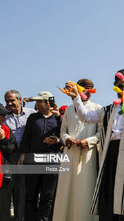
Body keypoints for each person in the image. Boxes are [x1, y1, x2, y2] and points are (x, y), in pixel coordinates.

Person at [63, 69, 124, 221]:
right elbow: (85, 116)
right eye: (119, 85)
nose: (122, 88)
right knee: (109, 204)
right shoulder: (108, 109)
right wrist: (76, 99)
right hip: (110, 156)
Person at [52, 79, 102, 221]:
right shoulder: (68, 109)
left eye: (90, 89)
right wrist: (67, 138)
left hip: (88, 155)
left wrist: (88, 141)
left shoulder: (97, 108)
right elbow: (63, 130)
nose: (87, 92)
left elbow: (101, 133)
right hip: (70, 153)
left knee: (85, 189)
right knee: (66, 190)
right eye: (84, 89)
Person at [20, 91, 63, 221]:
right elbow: (26, 137)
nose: (37, 104)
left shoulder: (59, 118)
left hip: (52, 162)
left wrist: (57, 141)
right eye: (36, 101)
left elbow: (65, 137)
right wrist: (23, 155)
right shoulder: (33, 118)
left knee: (47, 197)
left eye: (39, 101)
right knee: (30, 195)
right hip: (33, 161)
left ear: (47, 102)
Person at [1, 90, 36, 221]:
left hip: (25, 158)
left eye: (12, 100)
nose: (9, 103)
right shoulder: (3, 117)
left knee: (22, 194)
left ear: (20, 100)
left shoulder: (31, 114)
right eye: (7, 101)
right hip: (7, 158)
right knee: (5, 193)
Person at [0, 103, 21, 221]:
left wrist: (3, 139)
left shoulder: (6, 130)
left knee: (3, 210)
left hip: (4, 177)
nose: (4, 118)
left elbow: (13, 152)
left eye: (5, 115)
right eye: (2, 115)